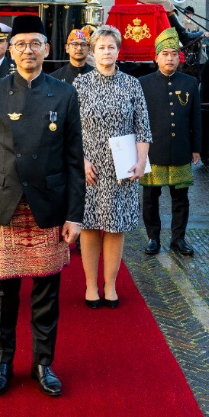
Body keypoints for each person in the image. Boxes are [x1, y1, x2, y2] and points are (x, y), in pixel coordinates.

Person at [0, 14, 84, 398]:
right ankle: (3, 361)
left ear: (47, 49)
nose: (28, 51)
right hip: (6, 204)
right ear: (10, 50)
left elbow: (73, 158)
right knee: (3, 291)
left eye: (35, 43)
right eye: (20, 44)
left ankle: (43, 363)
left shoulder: (65, 94)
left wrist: (74, 214)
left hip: (48, 205)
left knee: (47, 291)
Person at [73, 25, 150, 309]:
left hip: (122, 167)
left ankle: (111, 286)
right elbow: (70, 130)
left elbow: (143, 127)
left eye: (111, 46)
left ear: (119, 50)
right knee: (90, 227)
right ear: (93, 52)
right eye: (101, 47)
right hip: (89, 167)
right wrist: (80, 161)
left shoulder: (132, 84)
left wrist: (141, 162)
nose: (106, 51)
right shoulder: (80, 85)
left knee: (116, 228)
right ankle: (91, 286)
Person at [139, 28, 201, 256]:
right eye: (165, 53)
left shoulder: (189, 82)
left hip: (181, 151)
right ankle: (153, 238)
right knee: (150, 198)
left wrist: (196, 148)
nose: (170, 58)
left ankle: (178, 239)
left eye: (174, 54)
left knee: (180, 198)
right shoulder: (143, 83)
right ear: (156, 57)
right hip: (152, 152)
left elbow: (196, 118)